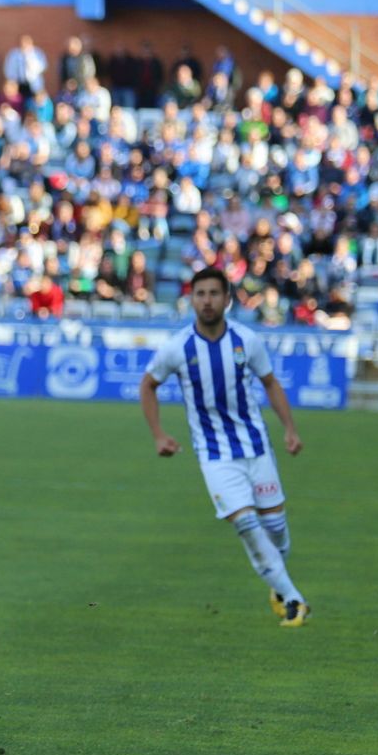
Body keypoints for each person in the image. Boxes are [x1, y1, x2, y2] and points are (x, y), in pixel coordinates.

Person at [139, 267, 310, 627]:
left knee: (276, 528)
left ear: (227, 299)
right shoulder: (178, 347)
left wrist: (290, 429)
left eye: (214, 293)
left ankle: (278, 584)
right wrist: (158, 434)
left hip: (256, 447)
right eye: (200, 294)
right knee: (247, 525)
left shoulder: (247, 341)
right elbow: (148, 385)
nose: (207, 301)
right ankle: (294, 600)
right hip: (214, 455)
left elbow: (270, 383)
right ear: (191, 300)